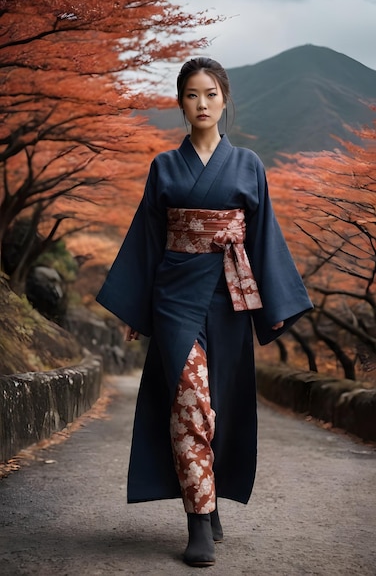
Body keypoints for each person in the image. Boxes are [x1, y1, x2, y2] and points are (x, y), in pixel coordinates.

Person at [96, 57, 313, 568]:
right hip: (174, 295)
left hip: (230, 295)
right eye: (192, 94)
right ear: (180, 102)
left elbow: (263, 237)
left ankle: (209, 496)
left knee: (222, 403)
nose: (202, 103)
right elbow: (147, 240)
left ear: (225, 99)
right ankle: (197, 520)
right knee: (189, 398)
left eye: (211, 93)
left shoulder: (249, 165)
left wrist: (277, 303)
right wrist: (135, 306)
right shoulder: (165, 168)